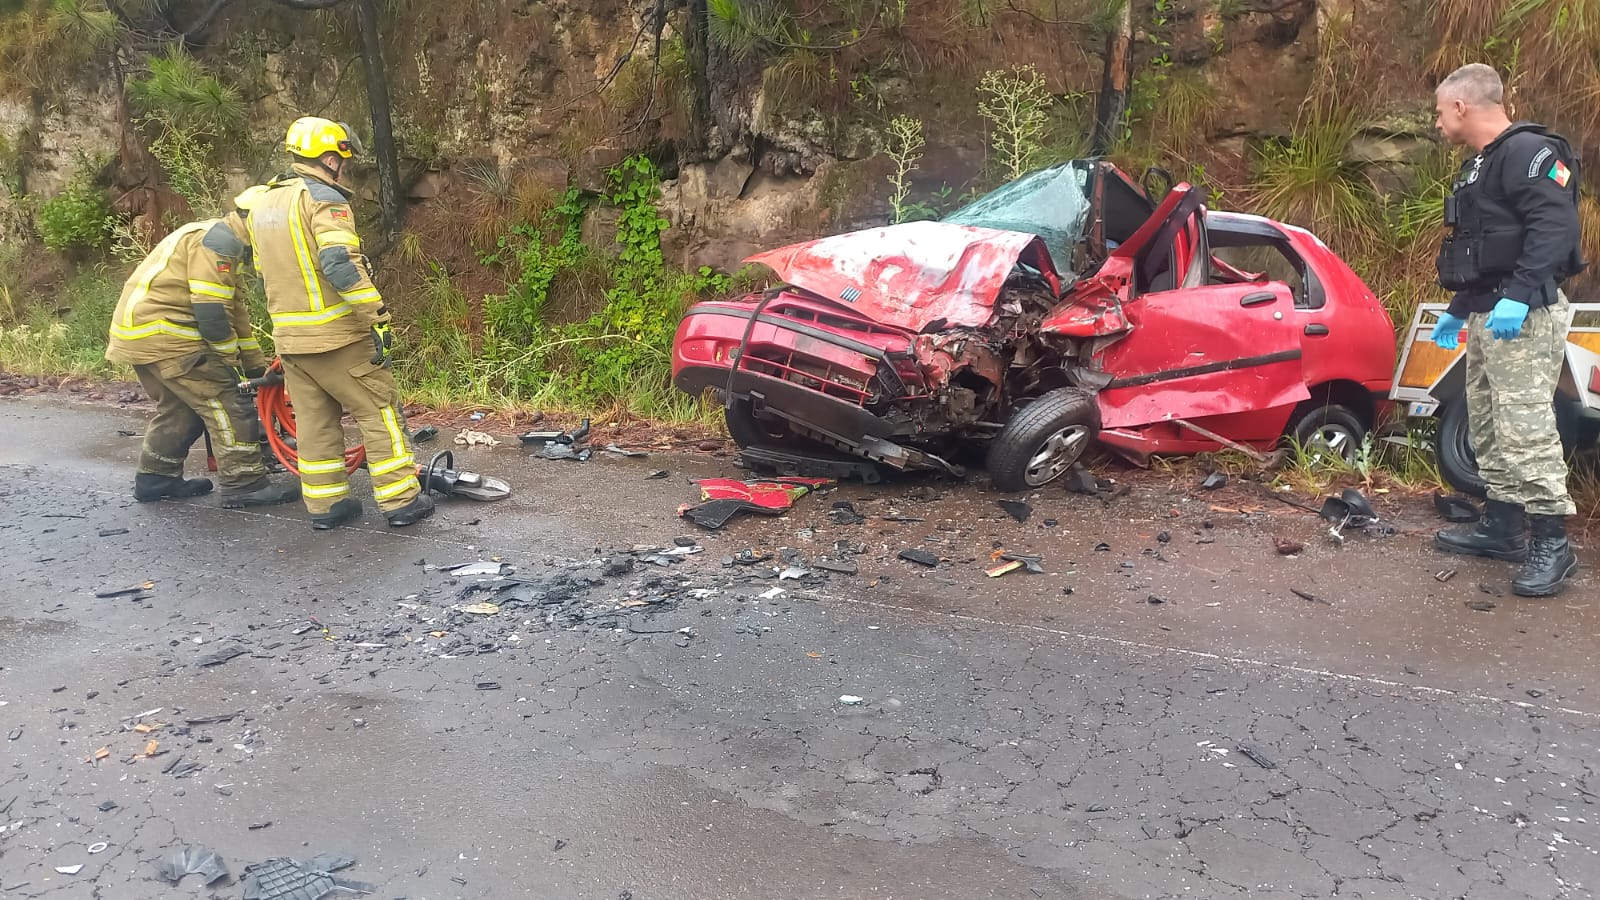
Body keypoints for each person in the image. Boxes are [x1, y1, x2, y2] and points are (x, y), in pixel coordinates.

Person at [1429, 63, 1584, 597]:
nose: (1438, 123)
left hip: (1526, 314)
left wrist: (1518, 296)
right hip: (1488, 312)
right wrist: (1459, 307)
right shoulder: (1482, 164)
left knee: (1526, 427)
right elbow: (1485, 249)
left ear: (1461, 106)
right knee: (1489, 424)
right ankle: (1502, 527)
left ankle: (1552, 543)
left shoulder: (1529, 152)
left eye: (1439, 113)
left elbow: (1554, 227)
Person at [246, 116, 431, 530]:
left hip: (290, 340)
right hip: (338, 338)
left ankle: (327, 506)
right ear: (330, 158)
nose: (344, 168)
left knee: (314, 423)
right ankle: (401, 500)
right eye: (342, 160)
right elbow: (339, 264)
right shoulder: (324, 200)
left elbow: (261, 272)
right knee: (379, 411)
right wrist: (377, 316)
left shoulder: (264, 203)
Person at [105, 189, 300, 509]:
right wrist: (228, 363)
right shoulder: (218, 244)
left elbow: (235, 313)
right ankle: (245, 484)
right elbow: (212, 313)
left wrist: (255, 366)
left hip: (142, 337)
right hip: (171, 338)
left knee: (181, 409)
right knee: (228, 403)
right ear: (256, 222)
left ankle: (156, 478)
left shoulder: (222, 240)